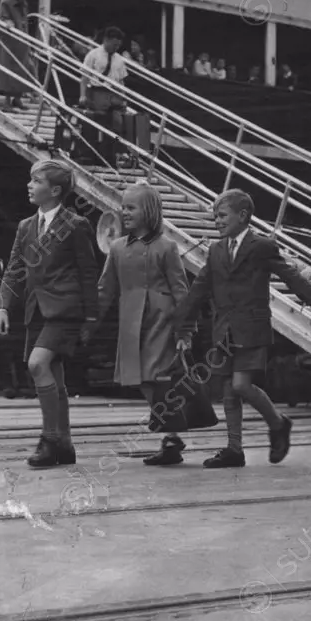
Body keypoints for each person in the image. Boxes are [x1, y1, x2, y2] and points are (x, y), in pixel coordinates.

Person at [172, 189, 311, 468]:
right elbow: (199, 289)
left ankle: (278, 423)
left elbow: (291, 277)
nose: (216, 221)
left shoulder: (261, 247)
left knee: (241, 384)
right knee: (228, 391)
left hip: (251, 329)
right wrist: (182, 325)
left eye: (222, 216)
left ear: (242, 216)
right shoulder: (216, 250)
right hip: (224, 330)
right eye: (214, 217)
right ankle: (234, 449)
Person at [0, 160, 100, 469]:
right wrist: (2, 305)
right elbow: (14, 268)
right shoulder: (26, 226)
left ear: (54, 191)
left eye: (36, 180)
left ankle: (50, 438)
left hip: (65, 311)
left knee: (37, 364)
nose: (29, 185)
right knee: (53, 375)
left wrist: (91, 318)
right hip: (35, 311)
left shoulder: (76, 224)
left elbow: (88, 273)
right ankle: (64, 445)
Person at [96, 182, 191, 466]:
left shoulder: (167, 247)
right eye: (123, 207)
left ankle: (171, 436)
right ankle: (171, 432)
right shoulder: (116, 248)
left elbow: (181, 290)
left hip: (161, 319)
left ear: (149, 211)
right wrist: (89, 321)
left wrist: (185, 330)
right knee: (139, 378)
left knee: (156, 374)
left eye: (131, 208)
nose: (124, 213)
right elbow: (105, 289)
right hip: (129, 321)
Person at [79, 26, 128, 136]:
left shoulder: (119, 59)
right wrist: (82, 95)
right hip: (97, 91)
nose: (116, 48)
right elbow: (85, 76)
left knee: (118, 122)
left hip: (113, 93)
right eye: (114, 45)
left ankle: (113, 148)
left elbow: (121, 81)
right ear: (106, 40)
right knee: (100, 118)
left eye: (118, 45)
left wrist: (123, 98)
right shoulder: (93, 54)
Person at [0, 0, 31, 109]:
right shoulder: (5, 1)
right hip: (9, 42)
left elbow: (24, 20)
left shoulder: (23, 4)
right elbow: (2, 18)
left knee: (23, 69)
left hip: (21, 41)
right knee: (8, 71)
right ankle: (7, 101)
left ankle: (17, 99)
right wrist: (8, 22)